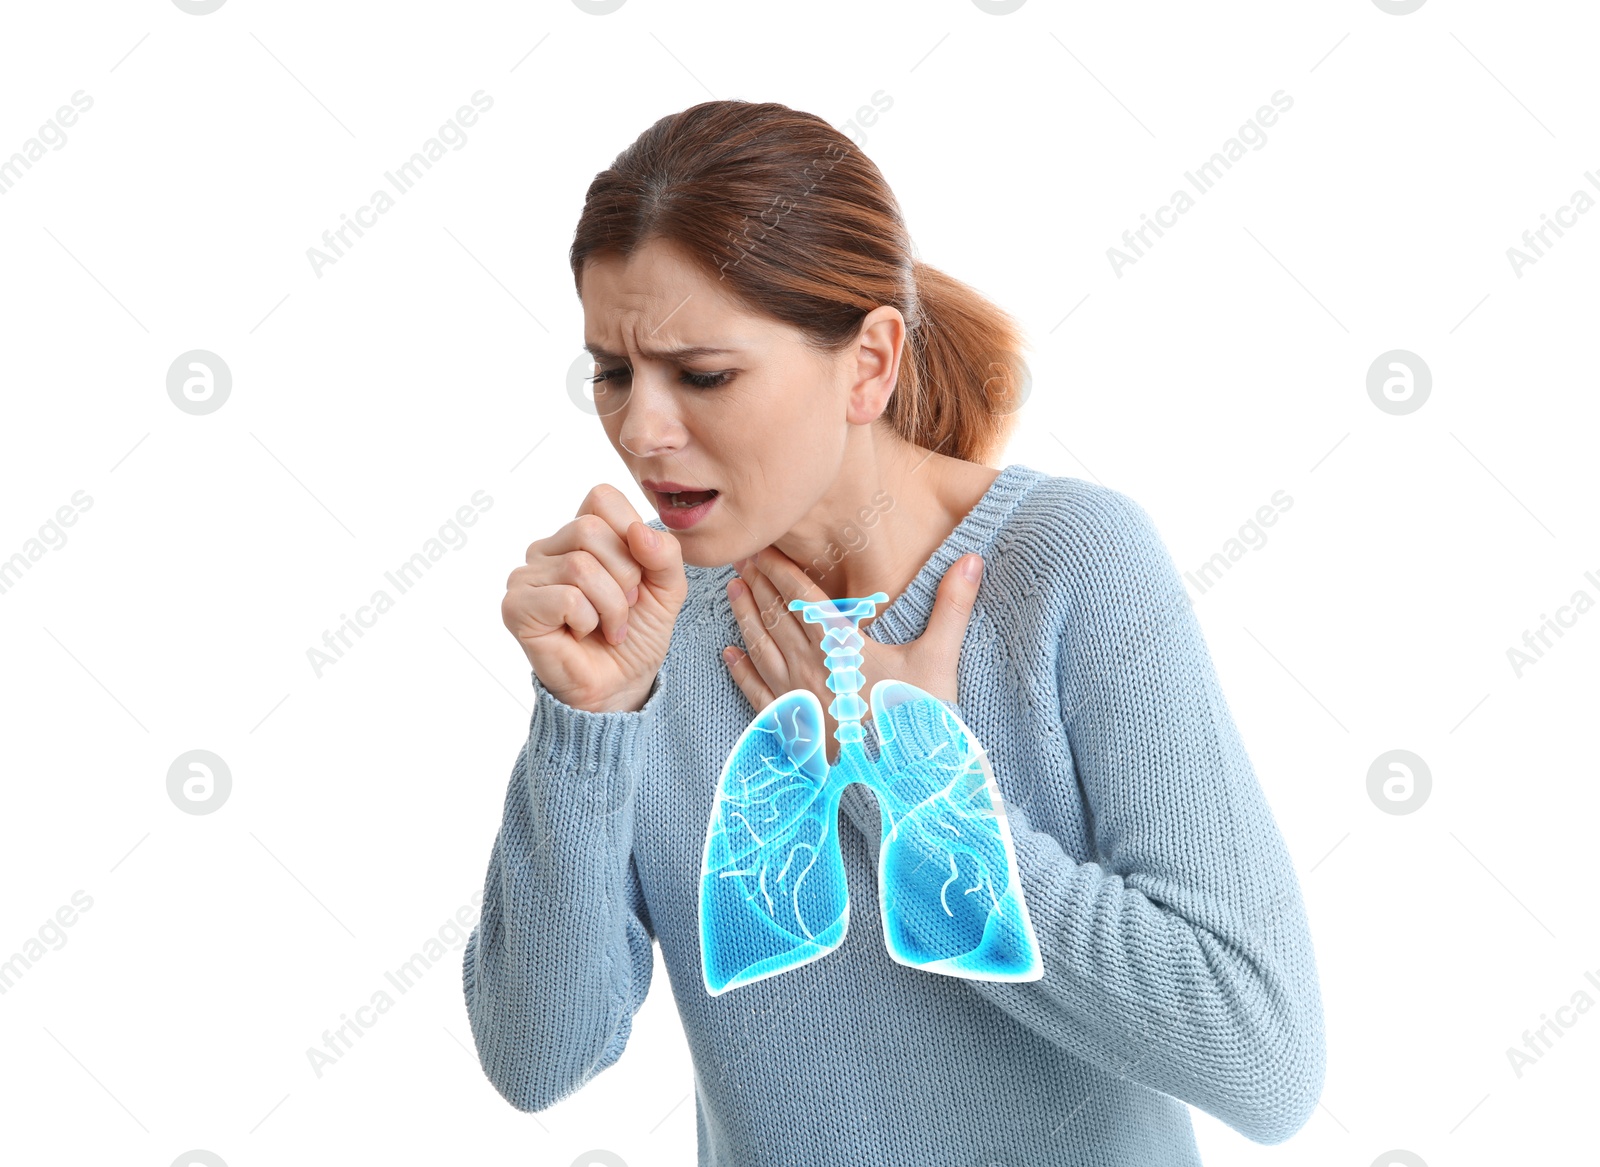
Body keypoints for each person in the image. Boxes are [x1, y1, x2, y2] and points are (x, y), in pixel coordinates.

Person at [464, 99, 1325, 1165]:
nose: (641, 429)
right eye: (612, 371)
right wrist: (584, 721)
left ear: (868, 363)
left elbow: (1262, 1056)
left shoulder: (1068, 568)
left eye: (703, 375)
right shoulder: (652, 628)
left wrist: (904, 769)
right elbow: (537, 1057)